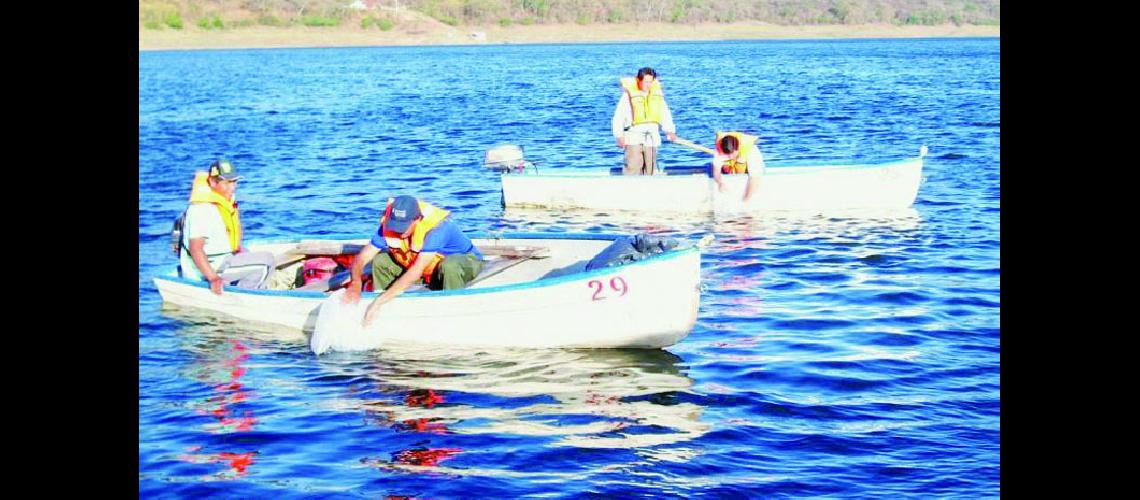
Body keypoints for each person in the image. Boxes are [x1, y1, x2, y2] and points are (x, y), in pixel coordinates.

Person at [343, 196, 484, 326]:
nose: (399, 231)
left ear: (417, 219)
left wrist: (378, 302)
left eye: (404, 225)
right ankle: (383, 312)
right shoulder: (388, 226)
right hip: (427, 270)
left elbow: (416, 270)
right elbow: (362, 257)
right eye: (395, 224)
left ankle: (452, 312)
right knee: (381, 261)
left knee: (450, 266)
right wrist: (355, 283)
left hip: (464, 262)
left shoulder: (439, 229)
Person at [179, 160, 276, 295]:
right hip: (212, 266)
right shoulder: (201, 209)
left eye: (234, 182)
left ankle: (242, 289)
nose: (233, 187)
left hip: (222, 258)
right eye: (227, 183)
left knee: (249, 253)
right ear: (213, 182)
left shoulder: (223, 201)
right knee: (267, 261)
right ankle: (245, 297)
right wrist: (213, 278)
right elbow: (196, 249)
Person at [611, 67, 678, 175]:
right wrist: (619, 135)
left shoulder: (657, 96)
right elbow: (618, 117)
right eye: (646, 82)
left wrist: (670, 131)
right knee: (633, 167)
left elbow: (665, 114)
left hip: (652, 138)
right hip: (633, 137)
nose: (648, 85)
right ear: (639, 81)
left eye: (650, 82)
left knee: (650, 170)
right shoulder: (628, 96)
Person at [711, 132, 766, 203]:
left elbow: (754, 178)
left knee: (748, 166)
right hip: (732, 167)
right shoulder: (720, 150)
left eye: (731, 154)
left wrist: (745, 200)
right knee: (721, 166)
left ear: (738, 149)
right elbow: (716, 170)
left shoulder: (752, 152)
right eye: (727, 155)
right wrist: (720, 183)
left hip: (746, 165)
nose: (730, 157)